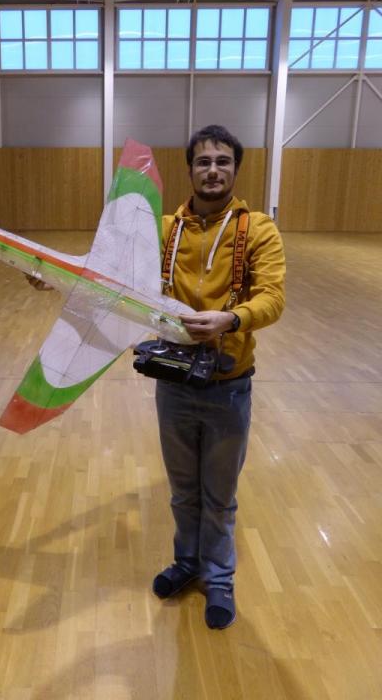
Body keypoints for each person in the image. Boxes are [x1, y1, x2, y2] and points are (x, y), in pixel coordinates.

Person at [153, 124, 285, 629]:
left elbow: (272, 297)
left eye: (223, 161)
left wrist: (232, 319)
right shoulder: (165, 228)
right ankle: (187, 563)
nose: (213, 170)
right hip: (173, 382)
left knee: (219, 496)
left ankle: (219, 578)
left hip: (229, 386)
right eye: (204, 161)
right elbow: (114, 276)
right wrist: (53, 279)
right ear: (189, 169)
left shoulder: (258, 230)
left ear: (236, 169)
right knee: (183, 489)